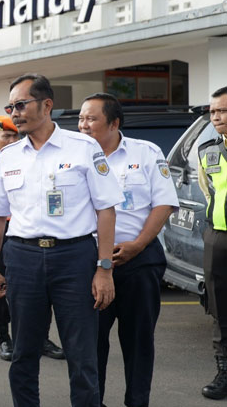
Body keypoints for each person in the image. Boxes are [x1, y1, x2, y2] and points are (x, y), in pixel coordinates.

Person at [0, 74, 123, 407]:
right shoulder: (10, 156)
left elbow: (106, 211)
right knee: (24, 354)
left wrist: (104, 269)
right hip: (23, 259)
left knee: (81, 354)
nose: (14, 113)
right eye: (10, 106)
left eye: (21, 105)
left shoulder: (84, 147)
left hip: (74, 258)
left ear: (47, 105)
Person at [79, 93, 178, 406]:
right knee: (90, 344)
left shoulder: (145, 152)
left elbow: (164, 203)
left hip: (139, 260)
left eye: (91, 119)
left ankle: (137, 402)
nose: (83, 125)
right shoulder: (74, 156)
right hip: (90, 263)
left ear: (114, 123)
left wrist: (138, 245)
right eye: (81, 119)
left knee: (138, 342)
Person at [0, 116, 65, 362]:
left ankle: (41, 338)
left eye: (14, 136)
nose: (11, 140)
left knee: (40, 288)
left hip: (25, 231)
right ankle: (4, 338)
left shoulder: (27, 158)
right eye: (5, 136)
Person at [199, 86, 227, 399]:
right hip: (219, 238)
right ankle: (224, 370)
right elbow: (208, 192)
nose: (217, 117)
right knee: (220, 308)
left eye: (223, 111)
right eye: (213, 112)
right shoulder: (207, 151)